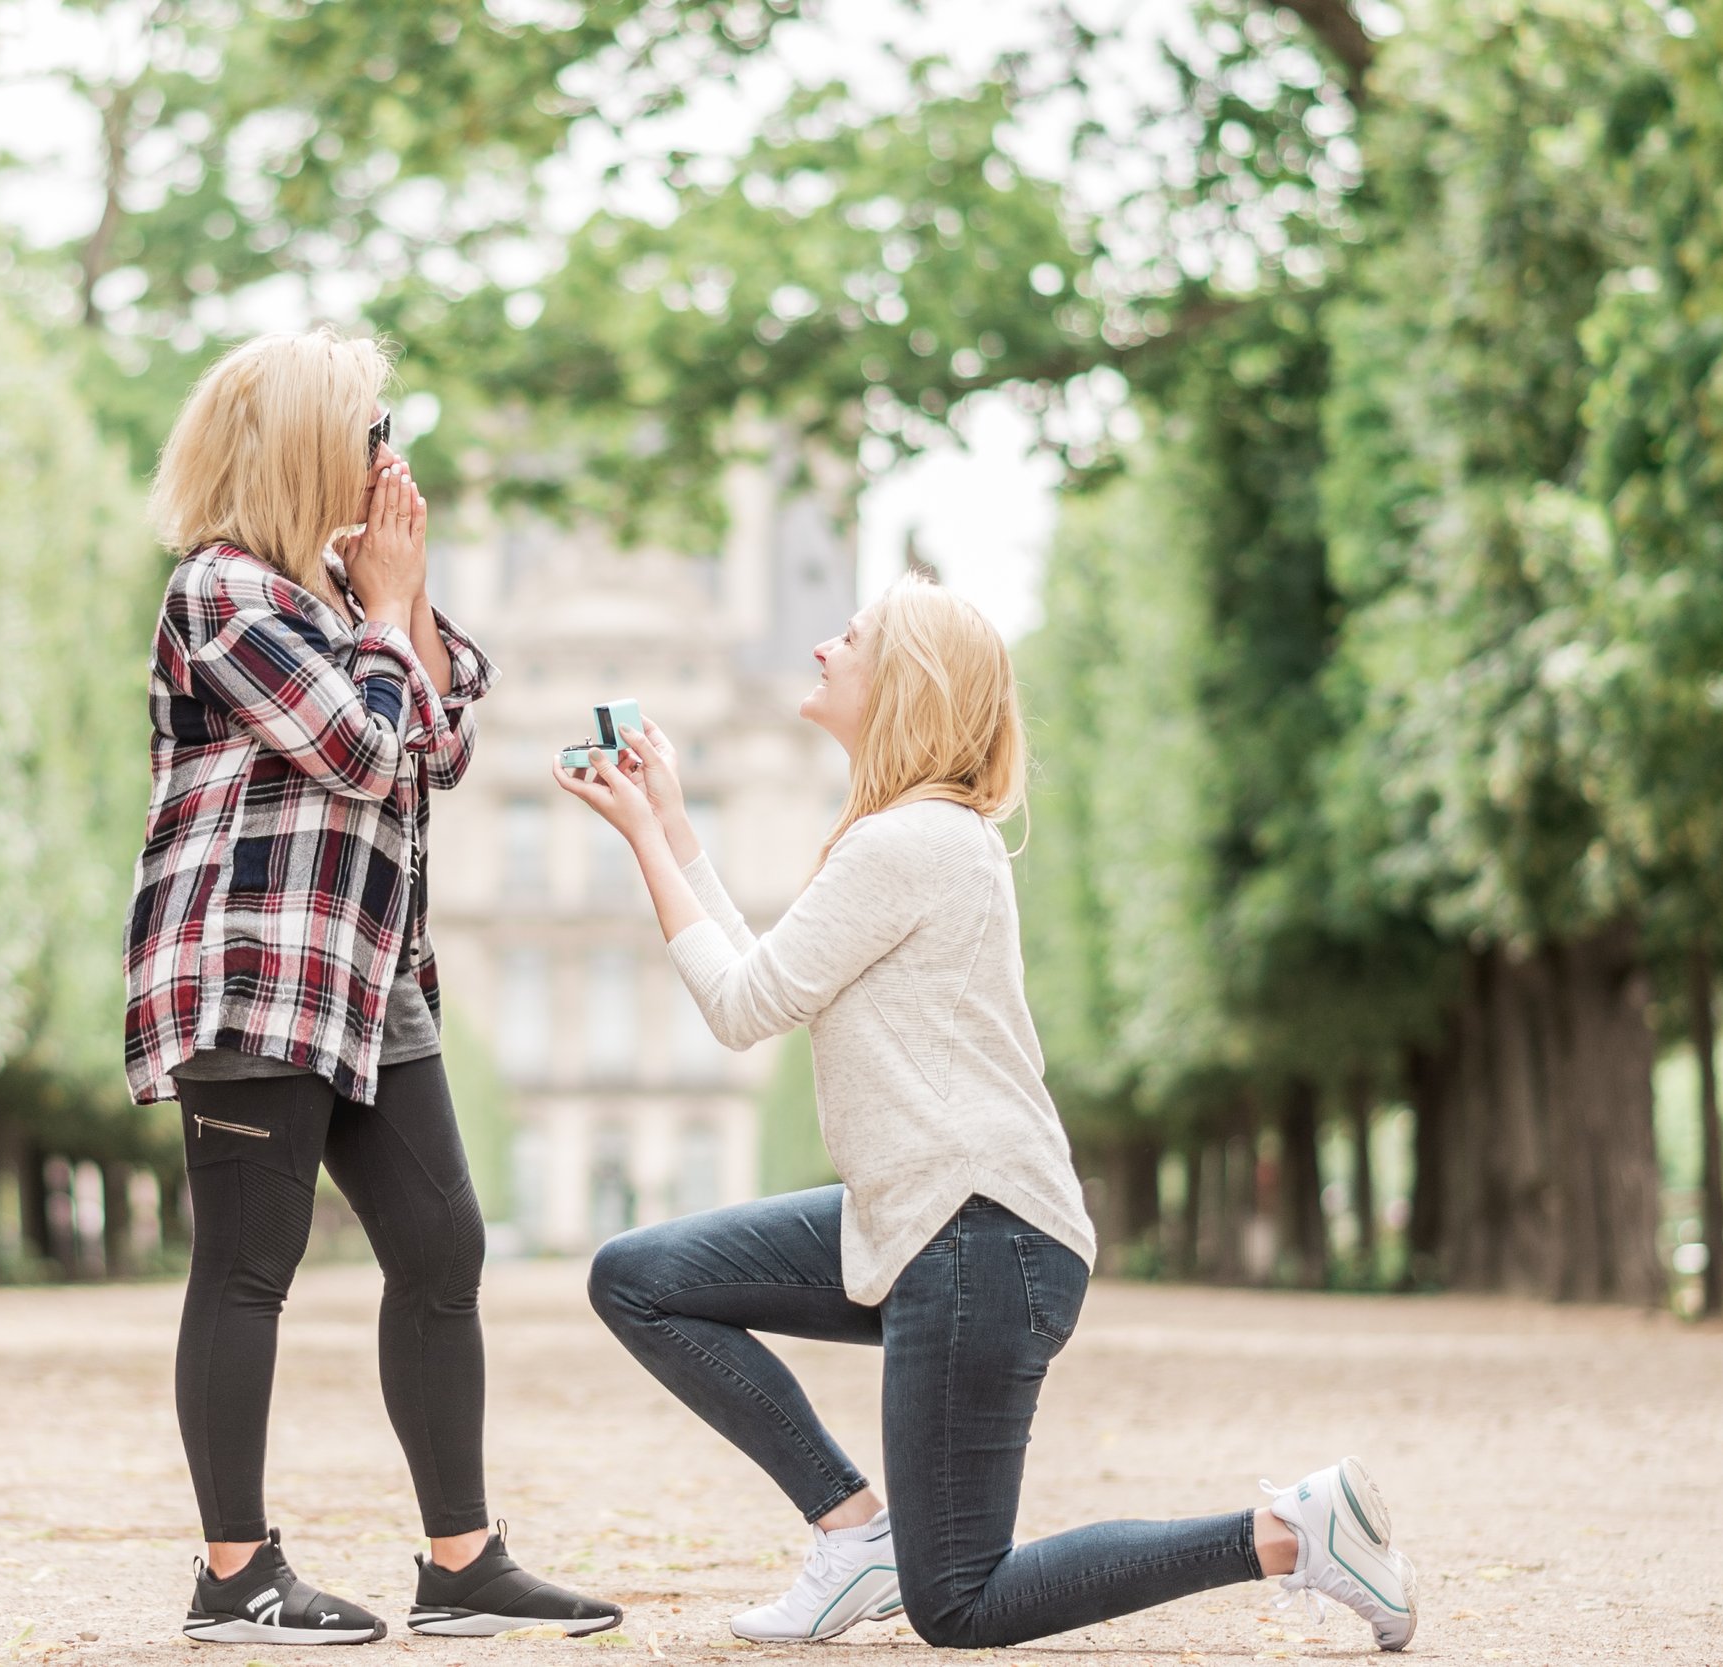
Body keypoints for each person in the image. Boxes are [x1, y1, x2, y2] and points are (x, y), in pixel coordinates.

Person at [555, 574, 1417, 1652]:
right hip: (925, 1217)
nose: (823, 646)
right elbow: (773, 974)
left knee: (962, 1599)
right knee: (642, 1276)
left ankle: (1294, 1531)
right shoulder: (908, 837)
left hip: (978, 1235)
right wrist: (674, 822)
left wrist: (642, 837)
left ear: (901, 682)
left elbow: (742, 1006)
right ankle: (852, 1529)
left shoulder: (908, 841)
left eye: (850, 637)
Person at [125, 328, 622, 1646]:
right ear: (304, 449)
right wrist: (392, 618)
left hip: (367, 975)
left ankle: (461, 1560)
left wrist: (399, 601)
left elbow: (438, 744)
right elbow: (357, 745)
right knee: (249, 1263)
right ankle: (235, 1572)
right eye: (371, 433)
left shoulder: (340, 601)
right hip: (254, 970)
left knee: (443, 1244)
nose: (392, 459)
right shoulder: (223, 590)